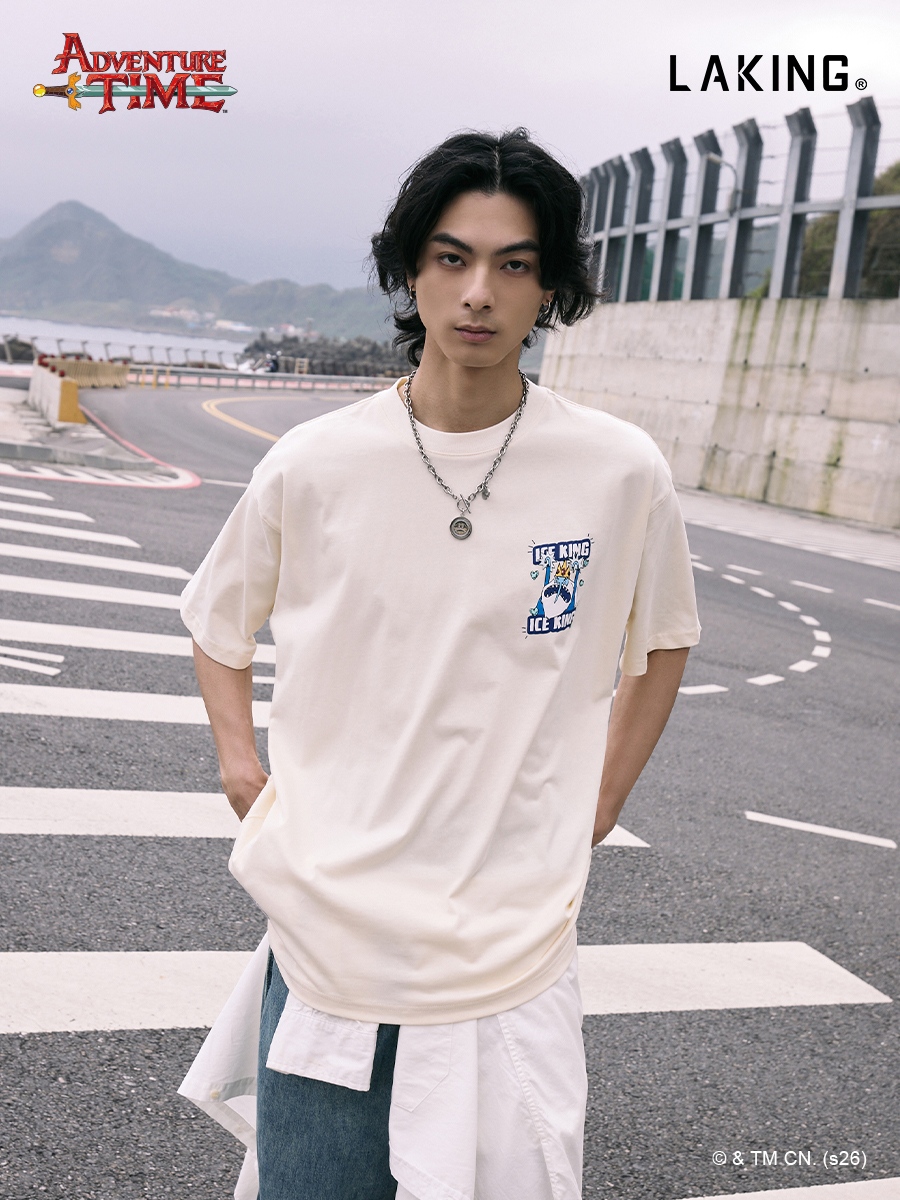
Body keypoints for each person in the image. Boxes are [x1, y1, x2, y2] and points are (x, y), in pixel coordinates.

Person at [180, 127, 700, 1200]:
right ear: (410, 271)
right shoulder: (316, 463)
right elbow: (218, 622)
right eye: (452, 258)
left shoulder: (617, 472)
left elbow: (664, 639)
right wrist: (241, 767)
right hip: (331, 941)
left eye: (514, 265)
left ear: (548, 288)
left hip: (513, 944)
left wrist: (600, 800)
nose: (478, 293)